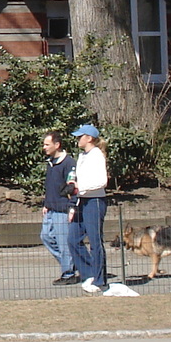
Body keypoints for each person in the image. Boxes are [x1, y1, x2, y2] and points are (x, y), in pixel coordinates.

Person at [67, 123, 110, 294]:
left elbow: (102, 181)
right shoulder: (82, 156)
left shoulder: (96, 155)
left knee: (95, 242)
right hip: (82, 201)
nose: (78, 139)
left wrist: (79, 187)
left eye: (80, 136)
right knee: (73, 238)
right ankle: (89, 274)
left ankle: (100, 280)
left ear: (89, 138)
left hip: (95, 201)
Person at [40, 132, 79, 285]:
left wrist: (71, 207)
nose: (44, 147)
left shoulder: (69, 163)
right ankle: (71, 263)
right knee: (46, 237)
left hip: (63, 209)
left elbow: (73, 187)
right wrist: (46, 204)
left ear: (57, 145)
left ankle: (68, 273)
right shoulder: (50, 162)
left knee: (63, 243)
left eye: (47, 144)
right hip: (50, 208)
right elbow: (50, 186)